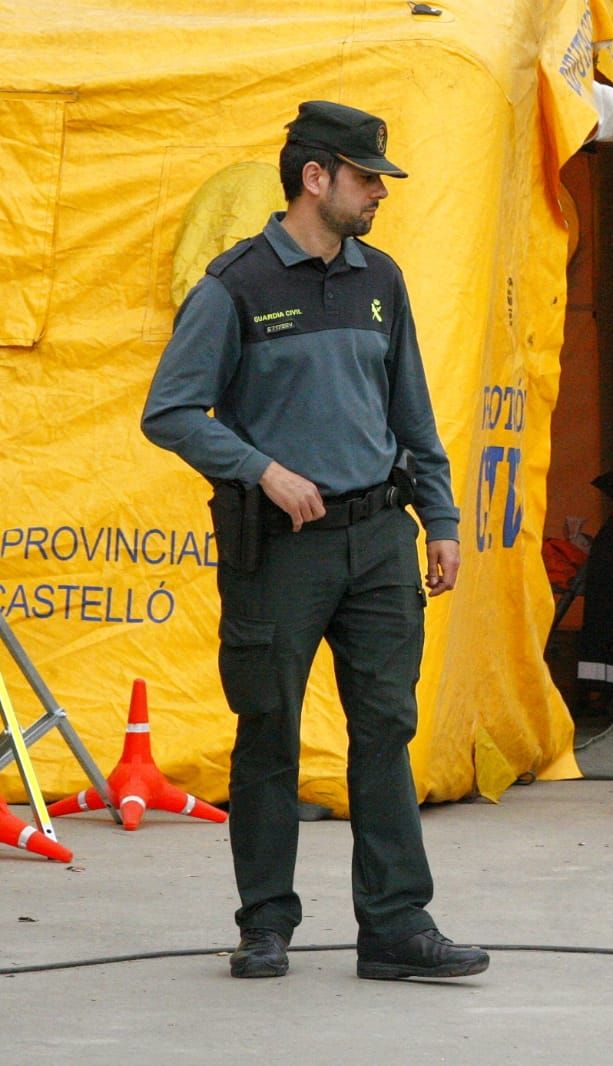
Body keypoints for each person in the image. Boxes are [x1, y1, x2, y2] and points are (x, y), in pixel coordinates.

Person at [141, 100, 489, 980]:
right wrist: (260, 468)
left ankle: (398, 926)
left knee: (386, 729)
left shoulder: (383, 280)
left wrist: (439, 520)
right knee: (268, 733)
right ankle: (265, 925)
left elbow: (412, 410)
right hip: (281, 549)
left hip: (378, 540)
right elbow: (171, 411)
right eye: (368, 178)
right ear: (316, 176)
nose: (379, 194)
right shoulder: (236, 287)